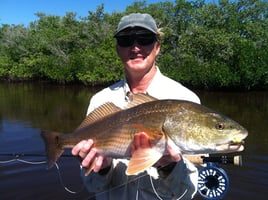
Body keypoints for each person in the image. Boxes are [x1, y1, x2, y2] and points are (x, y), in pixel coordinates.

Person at [72, 13, 201, 200]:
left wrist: (170, 166)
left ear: (157, 47)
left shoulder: (186, 100)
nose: (135, 47)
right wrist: (103, 168)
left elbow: (187, 192)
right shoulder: (100, 100)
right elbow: (93, 187)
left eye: (145, 39)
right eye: (125, 40)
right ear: (118, 49)